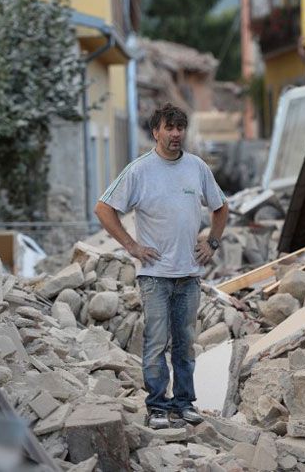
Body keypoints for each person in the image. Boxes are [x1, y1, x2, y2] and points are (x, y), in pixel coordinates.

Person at [94, 103, 229, 429]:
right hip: (154, 275)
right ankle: (157, 407)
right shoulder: (140, 170)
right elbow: (103, 209)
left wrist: (211, 242)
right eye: (169, 128)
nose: (175, 134)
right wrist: (131, 245)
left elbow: (221, 208)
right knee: (156, 341)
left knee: (185, 343)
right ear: (156, 131)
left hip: (189, 274)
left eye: (180, 128)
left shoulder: (197, 167)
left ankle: (184, 404)